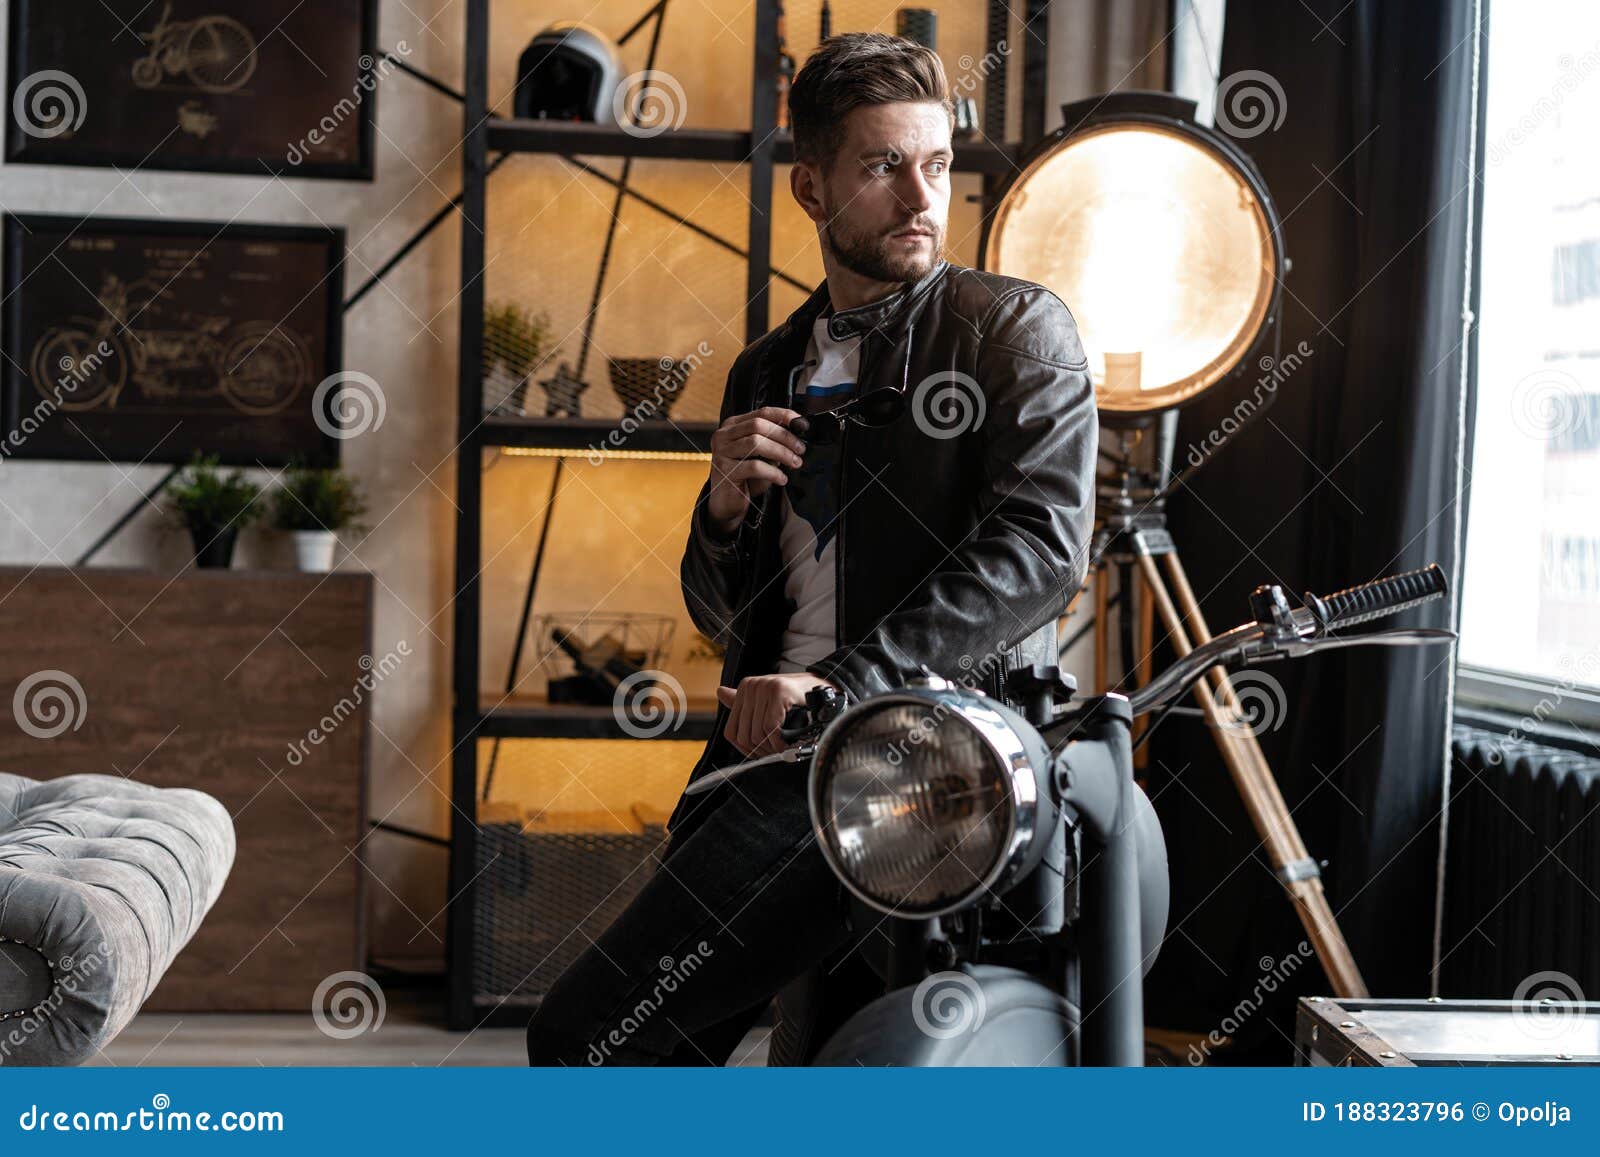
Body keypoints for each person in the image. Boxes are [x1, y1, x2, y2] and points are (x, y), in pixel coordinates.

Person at [527, 31, 1097, 1066]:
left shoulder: (1015, 330)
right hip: (764, 761)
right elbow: (723, 613)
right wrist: (720, 515)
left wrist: (836, 687)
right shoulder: (766, 367)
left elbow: (1040, 548)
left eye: (934, 163)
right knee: (737, 1050)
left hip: (921, 762)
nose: (921, 197)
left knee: (585, 1038)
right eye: (883, 167)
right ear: (810, 187)